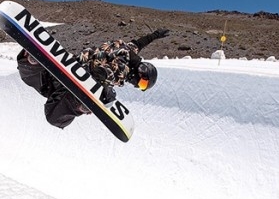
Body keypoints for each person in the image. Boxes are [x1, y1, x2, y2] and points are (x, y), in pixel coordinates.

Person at [16, 28, 170, 129]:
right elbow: (109, 72)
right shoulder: (124, 69)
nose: (137, 85)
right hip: (81, 72)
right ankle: (79, 103)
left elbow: (139, 43)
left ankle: (31, 60)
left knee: (31, 77)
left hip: (72, 69)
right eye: (142, 83)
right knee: (53, 117)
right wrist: (105, 89)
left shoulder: (129, 50)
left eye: (142, 87)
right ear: (141, 71)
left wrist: (155, 35)